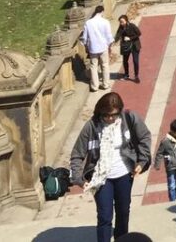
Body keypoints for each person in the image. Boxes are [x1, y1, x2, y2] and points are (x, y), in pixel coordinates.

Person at [69, 91, 152, 242]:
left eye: (113, 115)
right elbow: (77, 154)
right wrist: (78, 178)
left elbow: (144, 137)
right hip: (101, 178)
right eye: (106, 115)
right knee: (105, 216)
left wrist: (141, 162)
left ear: (119, 111)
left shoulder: (129, 118)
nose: (110, 119)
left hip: (124, 174)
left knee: (123, 212)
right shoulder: (91, 127)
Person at [153, 118, 176, 202]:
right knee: (172, 184)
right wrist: (157, 165)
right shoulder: (165, 141)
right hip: (170, 166)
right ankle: (172, 200)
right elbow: (159, 153)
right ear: (172, 131)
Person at [82, 5, 115, 93]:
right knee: (105, 65)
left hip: (93, 47)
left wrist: (85, 46)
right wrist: (110, 46)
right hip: (103, 46)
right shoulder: (105, 22)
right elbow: (109, 36)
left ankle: (94, 86)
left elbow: (84, 37)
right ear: (102, 12)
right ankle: (105, 84)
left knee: (93, 66)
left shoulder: (88, 23)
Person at [116, 15, 142, 84]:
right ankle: (126, 74)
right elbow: (118, 35)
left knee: (135, 61)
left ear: (126, 20)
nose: (121, 23)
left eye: (122, 22)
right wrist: (114, 41)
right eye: (120, 22)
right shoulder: (121, 27)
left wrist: (130, 38)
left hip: (134, 45)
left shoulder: (132, 26)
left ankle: (136, 76)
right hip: (126, 46)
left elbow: (139, 33)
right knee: (125, 61)